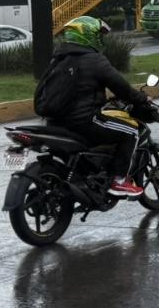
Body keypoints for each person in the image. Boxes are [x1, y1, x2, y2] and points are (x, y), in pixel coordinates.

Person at [40, 16, 151, 197]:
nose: (101, 38)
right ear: (87, 36)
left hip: (54, 123)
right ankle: (119, 180)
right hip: (85, 122)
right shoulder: (94, 59)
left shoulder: (58, 59)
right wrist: (140, 98)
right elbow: (121, 87)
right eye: (98, 34)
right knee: (131, 130)